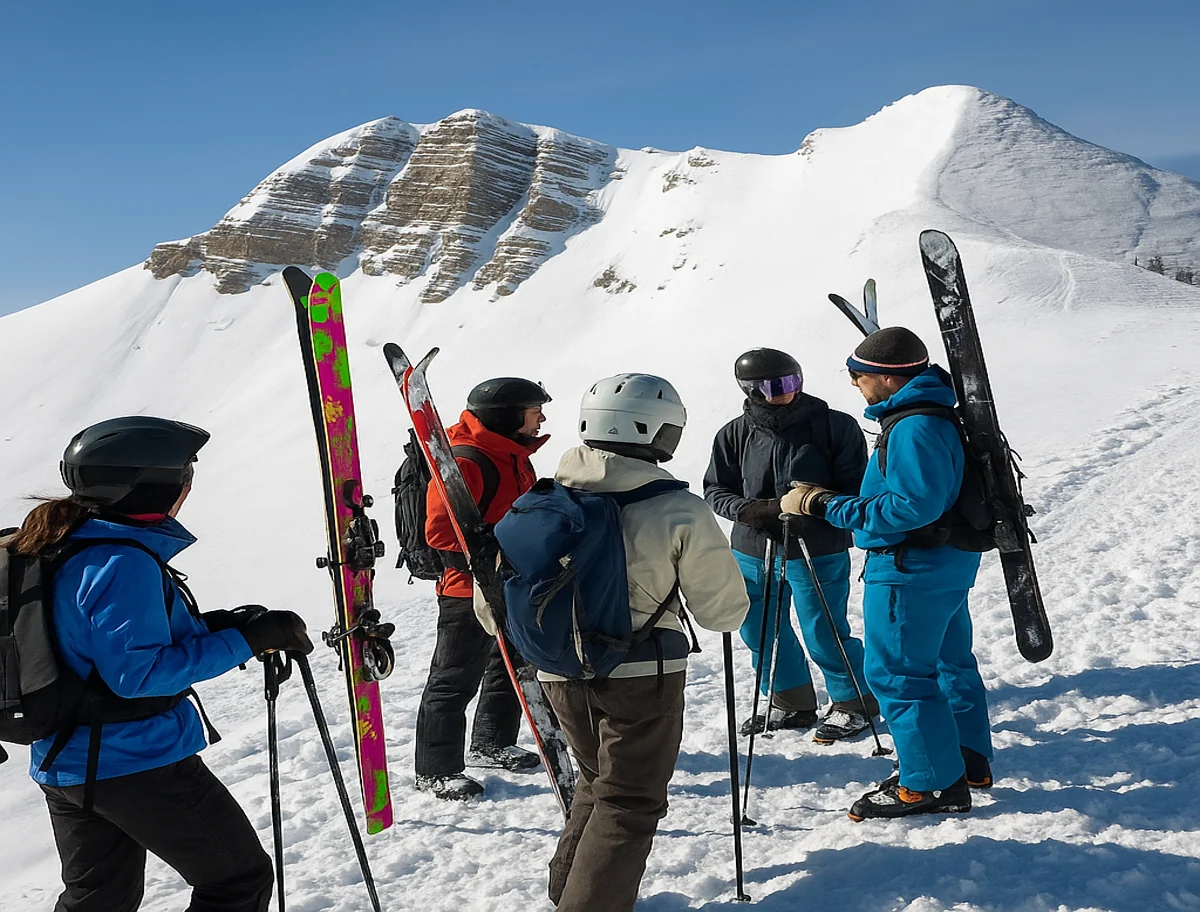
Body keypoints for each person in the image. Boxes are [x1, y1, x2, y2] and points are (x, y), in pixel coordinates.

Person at [9, 416, 312, 912]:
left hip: (64, 761)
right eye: (184, 474)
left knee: (97, 900)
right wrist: (247, 642)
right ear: (148, 486)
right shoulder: (121, 561)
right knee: (238, 879)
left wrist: (228, 626)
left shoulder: (61, 543)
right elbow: (140, 675)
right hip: (134, 762)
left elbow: (88, 644)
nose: (189, 485)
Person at [532, 373, 750, 912]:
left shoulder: (539, 501)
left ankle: (569, 892)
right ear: (652, 432)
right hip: (641, 675)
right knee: (628, 800)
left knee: (597, 780)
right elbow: (723, 612)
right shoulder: (677, 508)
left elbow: (494, 609)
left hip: (558, 670)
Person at [781, 326, 995, 820]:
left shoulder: (916, 426)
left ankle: (929, 784)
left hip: (910, 566)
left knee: (896, 673)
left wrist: (824, 504)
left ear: (886, 378)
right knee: (947, 662)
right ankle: (964, 759)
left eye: (857, 375)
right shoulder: (932, 412)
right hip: (944, 561)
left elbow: (911, 507)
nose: (854, 383)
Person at [704, 348, 876, 741]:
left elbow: (857, 488)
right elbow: (715, 488)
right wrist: (747, 510)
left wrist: (817, 504)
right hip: (752, 548)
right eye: (775, 385)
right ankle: (790, 701)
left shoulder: (835, 426)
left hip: (815, 547)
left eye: (793, 381)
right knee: (759, 629)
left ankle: (854, 702)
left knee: (824, 628)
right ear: (751, 389)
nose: (786, 391)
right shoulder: (734, 433)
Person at [415, 376, 552, 800]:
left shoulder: (512, 453)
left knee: (510, 665)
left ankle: (491, 743)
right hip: (466, 590)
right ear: (508, 416)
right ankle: (435, 769)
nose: (542, 418)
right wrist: (487, 563)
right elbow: (440, 534)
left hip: (512, 582)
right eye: (534, 411)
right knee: (454, 677)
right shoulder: (469, 459)